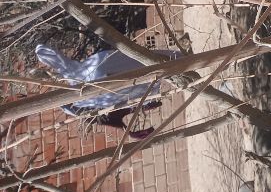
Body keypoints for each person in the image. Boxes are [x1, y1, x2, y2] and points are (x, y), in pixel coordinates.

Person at [35, 44, 177, 140]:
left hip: (118, 78)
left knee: (162, 65)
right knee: (163, 61)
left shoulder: (82, 95)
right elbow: (44, 51)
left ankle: (179, 64)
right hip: (115, 73)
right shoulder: (78, 80)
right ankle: (179, 61)